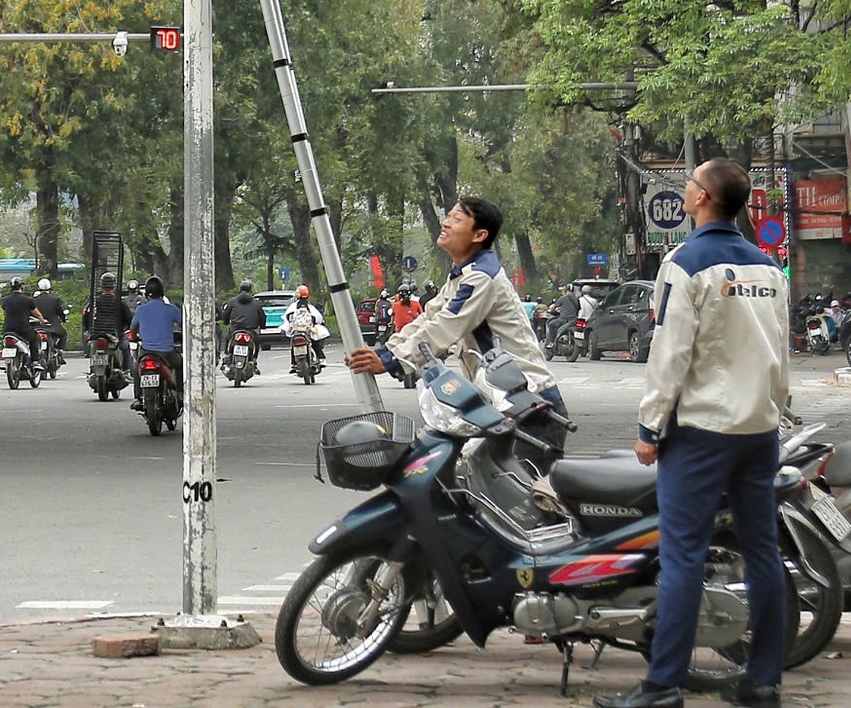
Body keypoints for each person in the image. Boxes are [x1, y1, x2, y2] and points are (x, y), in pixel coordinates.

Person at [598, 158, 790, 708]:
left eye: (689, 183)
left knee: (683, 556)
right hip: (759, 430)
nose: (683, 189)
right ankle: (763, 681)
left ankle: (663, 686)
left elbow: (670, 354)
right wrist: (775, 409)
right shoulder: (766, 267)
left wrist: (649, 427)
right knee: (762, 554)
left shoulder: (684, 263)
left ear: (703, 197)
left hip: (702, 431)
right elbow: (781, 352)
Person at [348, 198, 562, 413]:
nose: (446, 223)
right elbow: (429, 317)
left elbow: (445, 326)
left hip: (528, 398)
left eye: (457, 219)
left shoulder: (481, 277)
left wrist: (391, 361)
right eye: (448, 216)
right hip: (501, 396)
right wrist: (385, 352)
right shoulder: (463, 275)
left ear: (479, 235)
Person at [130, 276, 182, 405]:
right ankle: (180, 393)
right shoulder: (171, 309)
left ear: (146, 294)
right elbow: (184, 326)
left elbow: (132, 330)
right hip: (167, 353)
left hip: (147, 352)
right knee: (180, 364)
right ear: (162, 292)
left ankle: (138, 398)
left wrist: (136, 337)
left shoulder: (140, 310)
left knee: (137, 369)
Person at [223, 282, 267, 371]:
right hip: (251, 330)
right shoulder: (256, 303)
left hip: (235, 329)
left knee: (228, 339)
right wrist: (262, 326)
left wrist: (226, 322)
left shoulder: (232, 301)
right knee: (256, 343)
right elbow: (262, 316)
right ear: (250, 290)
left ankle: (227, 356)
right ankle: (254, 361)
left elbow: (226, 314)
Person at [280, 285, 328, 356]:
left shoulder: (292, 307)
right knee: (315, 341)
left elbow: (286, 317)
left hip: (296, 330)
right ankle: (321, 358)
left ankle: (293, 363)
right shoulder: (310, 307)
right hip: (308, 329)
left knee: (293, 345)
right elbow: (318, 319)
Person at [85, 275, 131, 344]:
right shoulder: (120, 303)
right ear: (114, 285)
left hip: (97, 334)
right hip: (115, 334)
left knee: (89, 349)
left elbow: (86, 317)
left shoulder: (94, 302)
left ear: (101, 285)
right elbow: (129, 319)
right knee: (125, 346)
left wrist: (89, 330)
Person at [0, 280, 38, 357]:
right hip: (23, 329)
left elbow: (5, 314)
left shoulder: (5, 300)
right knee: (34, 337)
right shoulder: (28, 300)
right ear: (21, 287)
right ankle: (35, 361)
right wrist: (42, 320)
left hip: (8, 329)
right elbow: (37, 313)